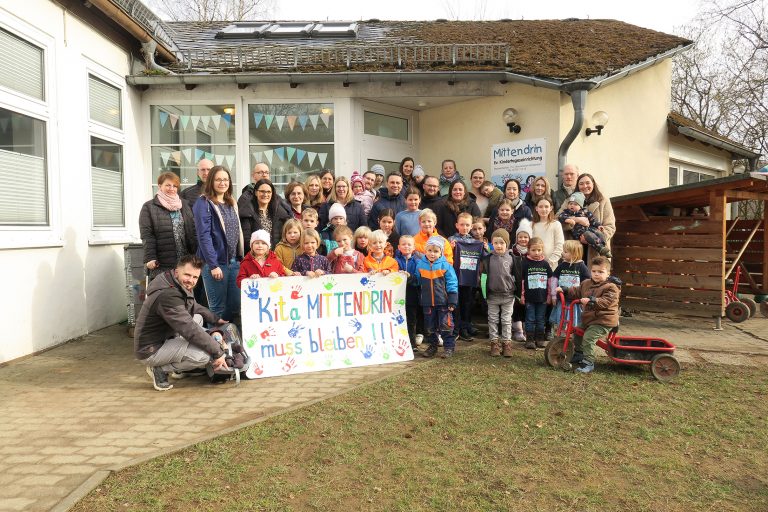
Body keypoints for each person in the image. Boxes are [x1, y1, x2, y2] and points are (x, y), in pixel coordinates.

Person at [134, 254, 229, 391]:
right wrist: (218, 352)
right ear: (177, 271)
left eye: (195, 277)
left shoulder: (174, 282)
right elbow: (189, 329)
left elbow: (194, 306)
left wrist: (215, 319)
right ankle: (160, 369)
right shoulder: (168, 295)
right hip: (151, 350)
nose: (191, 280)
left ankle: (180, 367)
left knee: (198, 317)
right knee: (203, 356)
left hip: (166, 336)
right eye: (187, 275)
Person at [192, 166, 243, 324]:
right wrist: (213, 265)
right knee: (217, 309)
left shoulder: (231, 202)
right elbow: (204, 236)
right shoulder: (203, 203)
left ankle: (229, 336)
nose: (223, 183)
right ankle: (214, 338)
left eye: (226, 179)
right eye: (218, 179)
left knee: (235, 305)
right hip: (215, 263)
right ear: (211, 181)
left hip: (234, 262)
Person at [139, 172, 197, 280]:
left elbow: (193, 231)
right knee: (165, 289)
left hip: (185, 261)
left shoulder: (185, 205)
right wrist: (150, 258)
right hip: (163, 262)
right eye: (168, 185)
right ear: (160, 186)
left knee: (185, 289)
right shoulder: (149, 207)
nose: (172, 189)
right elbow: (147, 235)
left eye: (175, 186)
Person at [570, 256, 621, 374]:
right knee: (577, 332)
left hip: (604, 320)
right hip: (590, 319)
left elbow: (606, 301)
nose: (596, 274)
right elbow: (577, 291)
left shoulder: (611, 287)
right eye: (594, 271)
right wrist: (565, 290)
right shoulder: (586, 283)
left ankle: (589, 362)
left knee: (589, 337)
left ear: (608, 273)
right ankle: (579, 354)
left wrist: (592, 300)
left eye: (601, 272)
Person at [415, 236, 459, 358]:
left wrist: (452, 300)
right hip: (427, 303)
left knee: (446, 326)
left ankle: (449, 347)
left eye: (436, 251)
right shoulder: (420, 265)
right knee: (429, 327)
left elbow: (452, 283)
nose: (432, 254)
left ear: (441, 252)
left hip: (443, 302)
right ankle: (432, 346)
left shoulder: (445, 266)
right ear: (425, 250)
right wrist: (409, 278)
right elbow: (417, 281)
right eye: (429, 250)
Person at [449, 212, 484, 341]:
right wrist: (450, 248)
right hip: (455, 278)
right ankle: (456, 329)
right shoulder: (451, 240)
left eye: (467, 225)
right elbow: (445, 255)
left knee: (467, 303)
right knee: (456, 304)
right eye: (462, 224)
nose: (464, 227)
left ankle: (465, 327)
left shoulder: (475, 242)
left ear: (471, 226)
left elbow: (484, 257)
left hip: (469, 278)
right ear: (457, 225)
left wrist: (485, 248)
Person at [483, 229, 517, 358]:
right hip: (492, 296)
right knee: (493, 320)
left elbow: (517, 276)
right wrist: (484, 293)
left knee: (506, 320)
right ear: (492, 244)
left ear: (507, 243)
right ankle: (494, 343)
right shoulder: (488, 259)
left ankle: (506, 343)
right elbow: (483, 277)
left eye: (502, 242)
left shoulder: (512, 258)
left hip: (508, 296)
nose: (499, 245)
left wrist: (518, 292)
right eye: (496, 243)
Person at [571, 173, 616, 261]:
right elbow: (558, 218)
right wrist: (577, 219)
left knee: (595, 269)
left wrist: (593, 238)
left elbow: (610, 227)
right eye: (581, 184)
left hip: (596, 251)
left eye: (588, 183)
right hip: (576, 247)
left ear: (593, 184)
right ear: (577, 186)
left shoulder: (603, 201)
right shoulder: (571, 200)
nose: (585, 186)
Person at [239, 178, 291, 250]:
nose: (265, 194)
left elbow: (284, 237)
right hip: (255, 254)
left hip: (276, 254)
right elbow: (246, 240)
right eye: (262, 191)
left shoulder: (280, 213)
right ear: (256, 192)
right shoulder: (247, 213)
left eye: (268, 192)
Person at [558, 191, 613, 258]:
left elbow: (592, 220)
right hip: (579, 233)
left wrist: (598, 225)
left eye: (575, 204)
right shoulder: (567, 212)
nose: (572, 205)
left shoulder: (585, 212)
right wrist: (569, 219)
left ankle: (604, 246)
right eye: (570, 203)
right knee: (589, 235)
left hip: (590, 229)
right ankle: (600, 248)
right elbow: (561, 217)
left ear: (580, 206)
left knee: (598, 232)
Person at [520, 237, 553, 349]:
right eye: (533, 250)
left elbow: (550, 281)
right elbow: (522, 281)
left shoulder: (545, 264)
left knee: (540, 319)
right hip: (529, 298)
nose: (536, 253)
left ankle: (539, 338)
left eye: (539, 250)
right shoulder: (525, 263)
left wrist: (549, 295)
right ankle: (529, 339)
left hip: (542, 298)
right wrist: (522, 295)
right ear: (528, 250)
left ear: (542, 250)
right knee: (530, 318)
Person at [552, 240, 592, 329]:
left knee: (573, 320)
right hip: (562, 299)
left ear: (574, 254)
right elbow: (554, 279)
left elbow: (586, 284)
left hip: (574, 300)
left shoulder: (581, 267)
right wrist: (553, 295)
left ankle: (572, 333)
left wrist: (584, 297)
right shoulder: (562, 265)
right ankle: (561, 332)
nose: (562, 253)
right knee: (561, 317)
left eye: (565, 252)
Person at [395, 235, 423, 350]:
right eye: (403, 244)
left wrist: (409, 277)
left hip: (412, 296)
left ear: (414, 247)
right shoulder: (394, 260)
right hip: (397, 296)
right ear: (399, 247)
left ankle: (412, 344)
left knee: (411, 320)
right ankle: (397, 343)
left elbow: (419, 279)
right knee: (398, 320)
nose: (406, 246)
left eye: (409, 244)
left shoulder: (418, 261)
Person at [531, 197, 564, 271]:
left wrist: (550, 263)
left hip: (551, 266)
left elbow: (560, 245)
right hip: (534, 265)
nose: (543, 209)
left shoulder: (556, 224)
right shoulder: (531, 225)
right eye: (540, 207)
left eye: (546, 206)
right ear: (536, 208)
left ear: (551, 208)